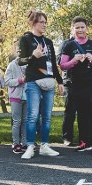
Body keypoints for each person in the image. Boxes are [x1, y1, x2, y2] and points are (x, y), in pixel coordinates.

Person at [17, 10, 63, 159]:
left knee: (47, 116)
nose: (44, 25)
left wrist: (60, 81)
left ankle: (44, 145)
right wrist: (33, 56)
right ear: (32, 23)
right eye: (41, 22)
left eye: (45, 22)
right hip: (33, 82)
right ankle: (30, 146)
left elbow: (53, 64)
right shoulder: (25, 39)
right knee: (32, 115)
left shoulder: (48, 42)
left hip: (49, 82)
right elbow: (20, 61)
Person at [60, 16, 92, 155]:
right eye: (77, 27)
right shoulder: (68, 45)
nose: (80, 30)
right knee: (80, 113)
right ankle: (83, 141)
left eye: (82, 27)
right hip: (76, 83)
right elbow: (63, 66)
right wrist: (74, 61)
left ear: (86, 28)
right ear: (73, 29)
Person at [4, 55, 27, 154]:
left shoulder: (29, 65)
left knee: (25, 121)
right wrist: (20, 80)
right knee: (17, 121)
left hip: (27, 96)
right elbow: (7, 81)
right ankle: (16, 143)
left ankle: (25, 143)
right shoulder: (12, 65)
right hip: (16, 96)